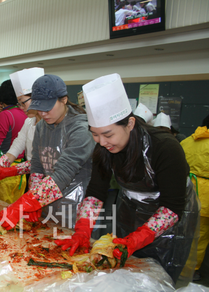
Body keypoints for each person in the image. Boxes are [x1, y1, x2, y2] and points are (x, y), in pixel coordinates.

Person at [57, 73, 199, 283]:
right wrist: (82, 230)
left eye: (108, 134)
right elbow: (96, 192)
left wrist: (137, 239)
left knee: (160, 276)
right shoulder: (103, 149)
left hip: (168, 220)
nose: (101, 141)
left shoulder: (166, 148)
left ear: (130, 123)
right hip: (130, 210)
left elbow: (172, 206)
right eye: (94, 134)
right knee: (125, 272)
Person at [0, 74, 95, 229]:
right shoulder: (41, 126)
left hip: (75, 208)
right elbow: (37, 165)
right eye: (39, 108)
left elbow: (63, 174)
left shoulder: (80, 129)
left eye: (47, 108)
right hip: (46, 202)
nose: (43, 114)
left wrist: (25, 203)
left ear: (64, 99)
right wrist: (34, 200)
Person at [180, 114, 209, 282]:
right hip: (205, 196)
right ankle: (194, 269)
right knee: (201, 235)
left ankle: (183, 263)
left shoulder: (188, 141)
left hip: (187, 191)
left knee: (188, 232)